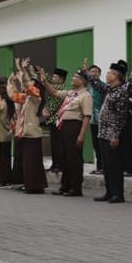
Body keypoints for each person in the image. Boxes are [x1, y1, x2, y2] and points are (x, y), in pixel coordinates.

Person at [81, 60, 132, 203]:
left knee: (114, 165)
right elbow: (97, 85)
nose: (107, 75)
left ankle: (118, 194)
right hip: (103, 133)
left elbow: (121, 117)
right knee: (106, 165)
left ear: (116, 76)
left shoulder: (121, 92)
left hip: (112, 134)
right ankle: (109, 192)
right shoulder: (110, 89)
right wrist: (87, 73)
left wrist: (115, 135)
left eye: (109, 73)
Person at [38, 66, 93, 196]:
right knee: (64, 157)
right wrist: (44, 81)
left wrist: (81, 135)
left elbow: (87, 116)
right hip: (63, 125)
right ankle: (65, 186)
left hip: (74, 126)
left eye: (76, 77)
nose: (73, 79)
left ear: (83, 81)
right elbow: (55, 93)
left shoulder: (86, 96)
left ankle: (75, 187)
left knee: (73, 158)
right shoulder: (70, 93)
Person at [9, 59, 47, 195]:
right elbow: (12, 95)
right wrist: (12, 81)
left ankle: (35, 186)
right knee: (26, 162)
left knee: (32, 162)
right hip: (24, 132)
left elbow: (28, 85)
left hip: (33, 133)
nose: (27, 86)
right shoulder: (25, 98)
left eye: (31, 84)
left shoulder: (36, 98)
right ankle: (28, 183)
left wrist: (22, 70)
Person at [42, 68, 68, 175]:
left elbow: (53, 105)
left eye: (55, 77)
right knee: (54, 144)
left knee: (58, 144)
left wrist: (46, 112)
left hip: (57, 120)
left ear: (61, 79)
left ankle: (59, 165)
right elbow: (47, 81)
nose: (52, 78)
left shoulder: (60, 89)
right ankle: (55, 164)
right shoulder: (55, 86)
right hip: (52, 120)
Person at [0, 79, 17, 187]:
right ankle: (7, 178)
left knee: (1, 159)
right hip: (7, 134)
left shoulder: (2, 102)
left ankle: (1, 179)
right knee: (6, 157)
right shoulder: (10, 102)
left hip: (1, 134)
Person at [87, 65, 105, 175]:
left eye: (95, 71)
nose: (93, 73)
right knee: (95, 145)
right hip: (91, 119)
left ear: (99, 73)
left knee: (101, 145)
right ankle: (99, 167)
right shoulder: (87, 86)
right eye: (91, 71)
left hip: (101, 119)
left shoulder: (103, 86)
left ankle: (103, 167)